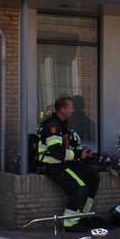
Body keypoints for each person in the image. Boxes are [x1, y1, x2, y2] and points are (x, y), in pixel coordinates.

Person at [37, 95, 100, 231]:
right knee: (80, 187)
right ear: (63, 109)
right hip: (53, 165)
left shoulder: (62, 124)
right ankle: (69, 223)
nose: (73, 110)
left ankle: (83, 214)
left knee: (92, 175)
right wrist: (78, 155)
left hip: (64, 162)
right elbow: (56, 152)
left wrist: (82, 153)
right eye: (70, 107)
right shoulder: (52, 126)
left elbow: (66, 147)